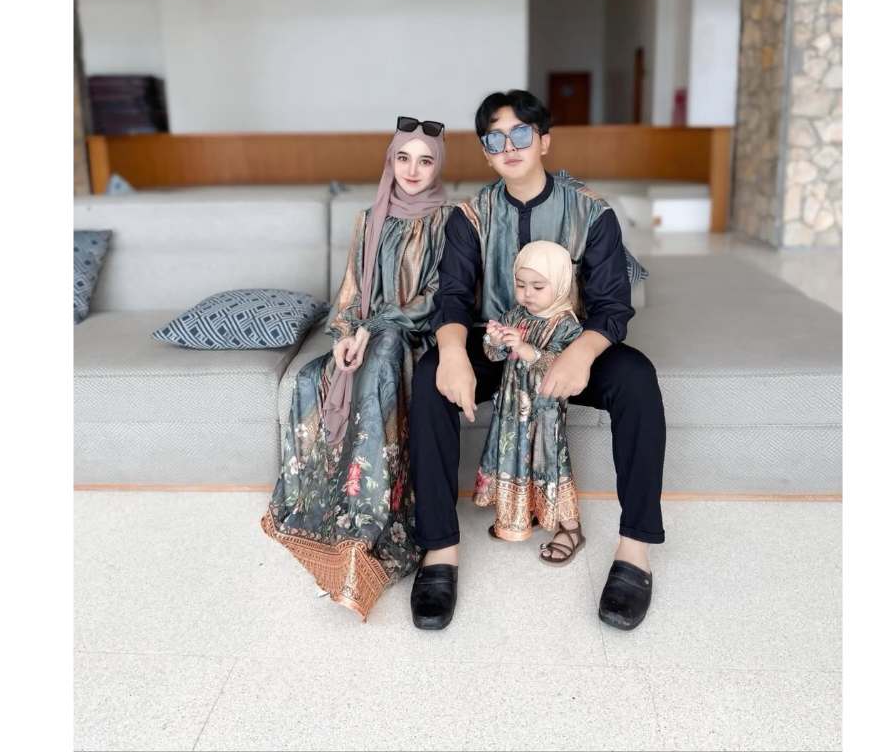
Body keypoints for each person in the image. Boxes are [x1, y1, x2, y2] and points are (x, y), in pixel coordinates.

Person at [408, 90, 665, 632]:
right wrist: (452, 353)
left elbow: (613, 307)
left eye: (521, 133)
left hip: (565, 346)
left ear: (544, 141)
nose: (509, 146)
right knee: (430, 378)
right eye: (495, 138)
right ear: (486, 153)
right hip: (497, 348)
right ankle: (439, 550)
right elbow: (451, 298)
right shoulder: (470, 216)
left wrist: (578, 355)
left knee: (638, 379)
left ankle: (635, 550)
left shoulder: (591, 211)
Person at [261, 117, 452, 621]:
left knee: (381, 358)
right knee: (310, 379)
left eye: (425, 160)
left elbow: (440, 297)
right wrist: (347, 333)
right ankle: (321, 509)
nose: (413, 170)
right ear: (391, 161)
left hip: (415, 337)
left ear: (438, 167)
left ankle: (366, 526)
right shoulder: (368, 220)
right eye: (403, 158)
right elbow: (349, 291)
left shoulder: (449, 220)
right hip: (366, 334)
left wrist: (377, 328)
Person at [474, 240, 585, 564]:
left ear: (560, 283)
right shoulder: (515, 314)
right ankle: (522, 516)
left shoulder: (566, 324)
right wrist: (494, 339)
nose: (527, 294)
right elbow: (493, 354)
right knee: (514, 459)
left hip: (544, 413)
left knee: (547, 464)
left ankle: (570, 528)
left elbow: (561, 367)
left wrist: (525, 349)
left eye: (538, 286)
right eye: (521, 285)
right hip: (512, 409)